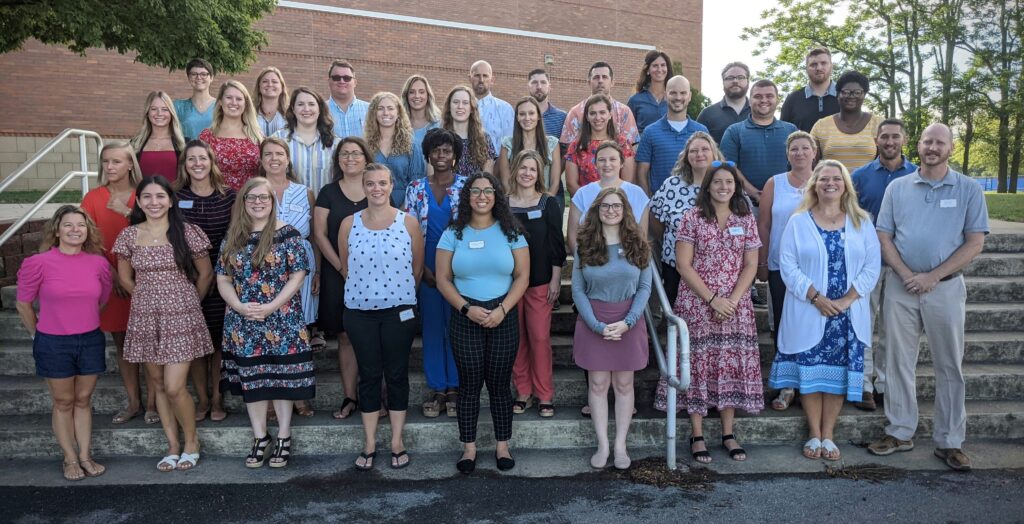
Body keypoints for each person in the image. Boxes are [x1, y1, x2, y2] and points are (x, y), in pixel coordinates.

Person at [867, 124, 989, 471]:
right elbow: (884, 236)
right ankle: (900, 430)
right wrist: (907, 275)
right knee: (897, 361)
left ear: (951, 147)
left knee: (949, 364)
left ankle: (950, 441)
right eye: (927, 141)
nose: (932, 147)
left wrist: (932, 276)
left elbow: (975, 242)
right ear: (918, 145)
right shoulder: (898, 187)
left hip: (946, 288)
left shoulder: (968, 189)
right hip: (901, 287)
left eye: (940, 142)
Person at [768, 160, 880, 462]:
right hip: (809, 309)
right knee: (811, 374)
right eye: (824, 179)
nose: (830, 183)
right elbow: (786, 264)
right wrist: (816, 297)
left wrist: (846, 301)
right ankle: (813, 433)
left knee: (837, 376)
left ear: (845, 185)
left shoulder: (861, 221)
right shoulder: (799, 221)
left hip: (847, 313)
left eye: (837, 178)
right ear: (814, 185)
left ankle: (828, 434)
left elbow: (872, 266)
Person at [654, 163, 763, 463]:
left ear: (735, 187)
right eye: (718, 182)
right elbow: (683, 265)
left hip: (735, 305)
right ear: (708, 186)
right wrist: (713, 299)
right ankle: (697, 433)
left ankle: (728, 434)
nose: (724, 186)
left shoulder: (745, 218)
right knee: (697, 366)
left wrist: (732, 300)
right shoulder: (692, 217)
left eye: (729, 181)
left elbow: (751, 265)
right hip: (697, 303)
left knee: (728, 367)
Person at [113, 176, 216, 472]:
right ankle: (172, 445)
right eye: (147, 197)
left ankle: (192, 441)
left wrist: (186, 302)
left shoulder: (187, 232)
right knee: (157, 383)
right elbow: (124, 278)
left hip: (181, 315)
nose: (154, 202)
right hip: (145, 316)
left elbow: (205, 273)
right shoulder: (129, 235)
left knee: (173, 386)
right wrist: (148, 298)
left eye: (160, 196)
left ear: (171, 200)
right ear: (139, 201)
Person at [435, 172, 530, 474]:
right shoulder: (453, 233)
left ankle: (503, 446)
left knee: (500, 385)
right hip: (466, 316)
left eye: (488, 191)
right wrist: (465, 308)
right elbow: (442, 279)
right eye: (475, 191)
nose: (482, 196)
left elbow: (522, 277)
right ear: (467, 197)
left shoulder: (511, 232)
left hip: (503, 314)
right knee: (470, 384)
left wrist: (502, 309)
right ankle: (469, 449)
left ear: (496, 196)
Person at [217, 178, 314, 469]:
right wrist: (238, 306)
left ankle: (283, 436)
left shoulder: (288, 234)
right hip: (243, 319)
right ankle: (261, 437)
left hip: (283, 319)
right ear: (243, 202)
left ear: (273, 202)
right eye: (252, 197)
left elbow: (298, 274)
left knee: (282, 379)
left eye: (264, 198)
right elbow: (223, 277)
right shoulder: (233, 236)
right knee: (254, 382)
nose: (258, 202)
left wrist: (271, 306)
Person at [16, 205, 112, 481]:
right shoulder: (39, 262)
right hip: (52, 342)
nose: (74, 230)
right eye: (68, 225)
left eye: (80, 225)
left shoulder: (98, 263)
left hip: (90, 339)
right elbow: (23, 304)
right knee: (63, 400)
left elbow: (102, 299)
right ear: (57, 230)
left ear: (87, 231)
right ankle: (69, 459)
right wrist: (39, 334)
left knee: (83, 399)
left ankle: (85, 455)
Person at [339, 164, 424, 470]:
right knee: (370, 375)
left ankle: (397, 441)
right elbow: (345, 266)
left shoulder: (408, 223)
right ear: (363, 187)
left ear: (391, 186)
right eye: (371, 183)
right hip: (360, 312)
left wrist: (397, 295)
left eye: (382, 183)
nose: (377, 188)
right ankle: (370, 442)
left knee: (397, 374)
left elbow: (417, 268)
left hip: (399, 311)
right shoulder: (350, 224)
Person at [572, 187, 652, 470]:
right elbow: (578, 290)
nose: (611, 210)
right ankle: (602, 444)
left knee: (623, 384)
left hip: (628, 319)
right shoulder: (586, 244)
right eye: (605, 206)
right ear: (597, 210)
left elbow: (644, 287)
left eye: (616, 206)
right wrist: (596, 325)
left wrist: (628, 321)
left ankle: (620, 445)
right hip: (594, 318)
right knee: (597, 384)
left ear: (625, 210)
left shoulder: (638, 244)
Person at [81, 142, 157, 425]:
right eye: (105, 162)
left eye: (116, 161)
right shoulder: (93, 197)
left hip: (146, 278)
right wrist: (112, 275)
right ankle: (134, 402)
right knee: (123, 342)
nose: (110, 167)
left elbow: (158, 226)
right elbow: (88, 241)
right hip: (109, 279)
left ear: (129, 165)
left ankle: (152, 404)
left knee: (149, 343)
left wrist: (126, 212)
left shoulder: (144, 194)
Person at [850, 119, 917, 411]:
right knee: (863, 324)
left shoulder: (917, 174)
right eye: (884, 137)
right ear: (876, 140)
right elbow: (849, 216)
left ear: (904, 140)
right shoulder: (861, 176)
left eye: (895, 137)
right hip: (869, 263)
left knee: (894, 328)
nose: (890, 142)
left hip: (904, 264)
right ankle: (863, 384)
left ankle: (885, 383)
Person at [403, 128, 467, 418]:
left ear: (455, 156)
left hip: (459, 270)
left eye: (447, 151)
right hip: (425, 267)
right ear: (428, 154)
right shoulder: (415, 188)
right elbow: (409, 231)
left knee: (456, 328)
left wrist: (456, 272)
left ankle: (455, 386)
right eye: (436, 151)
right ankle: (438, 388)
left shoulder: (467, 187)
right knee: (431, 328)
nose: (441, 156)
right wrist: (422, 270)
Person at [175, 139, 238, 422]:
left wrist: (221, 274)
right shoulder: (176, 198)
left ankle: (217, 397)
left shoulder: (230, 196)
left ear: (212, 162)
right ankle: (202, 398)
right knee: (196, 344)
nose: (197, 164)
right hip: (188, 280)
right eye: (191, 159)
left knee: (218, 342)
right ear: (184, 165)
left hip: (224, 276)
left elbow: (237, 236)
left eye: (202, 158)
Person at [757, 131, 817, 412]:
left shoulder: (824, 180)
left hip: (816, 269)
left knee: (813, 325)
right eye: (794, 148)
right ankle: (786, 385)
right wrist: (761, 260)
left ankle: (811, 385)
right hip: (781, 266)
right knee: (783, 324)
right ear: (787, 153)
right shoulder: (774, 184)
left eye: (805, 148)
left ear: (814, 152)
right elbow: (765, 224)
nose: (800, 153)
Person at [260, 137, 321, 415]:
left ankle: (298, 394)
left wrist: (317, 269)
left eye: (279, 154)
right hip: (264, 268)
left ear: (287, 159)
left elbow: (315, 234)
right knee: (270, 332)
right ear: (261, 160)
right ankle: (274, 395)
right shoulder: (254, 190)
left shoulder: (304, 192)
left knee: (299, 332)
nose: (274, 158)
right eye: (268, 154)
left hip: (301, 265)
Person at [313, 138, 370, 420]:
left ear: (365, 158)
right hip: (339, 275)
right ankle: (350, 397)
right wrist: (340, 267)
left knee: (375, 338)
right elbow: (320, 234)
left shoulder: (377, 188)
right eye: (344, 153)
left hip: (375, 276)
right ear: (338, 160)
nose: (350, 158)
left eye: (356, 153)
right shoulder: (328, 193)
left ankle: (374, 396)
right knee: (345, 336)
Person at [508, 150, 566, 418]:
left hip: (541, 281)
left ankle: (544, 394)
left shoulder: (548, 203)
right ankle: (523, 391)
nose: (527, 173)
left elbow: (557, 243)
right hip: (509, 283)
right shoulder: (504, 203)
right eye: (523, 168)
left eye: (532, 169)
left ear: (539, 173)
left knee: (540, 337)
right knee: (516, 338)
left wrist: (556, 278)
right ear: (515, 170)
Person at [649, 131, 723, 307]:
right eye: (693, 150)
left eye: (705, 149)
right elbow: (656, 217)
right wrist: (671, 237)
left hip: (715, 265)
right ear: (686, 156)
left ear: (714, 153)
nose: (699, 154)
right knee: (677, 309)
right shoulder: (672, 185)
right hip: (675, 264)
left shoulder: (726, 184)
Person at [720, 79, 799, 200]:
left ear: (777, 100)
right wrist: (754, 193)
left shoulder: (791, 130)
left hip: (785, 201)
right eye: (758, 96)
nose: (764, 100)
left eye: (769, 96)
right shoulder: (734, 131)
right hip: (745, 204)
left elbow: (800, 166)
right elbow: (728, 167)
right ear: (750, 101)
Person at [568, 141, 648, 254]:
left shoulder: (637, 194)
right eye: (601, 160)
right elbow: (572, 235)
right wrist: (580, 261)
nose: (607, 164)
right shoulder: (582, 194)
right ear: (595, 164)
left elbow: (642, 235)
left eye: (612, 159)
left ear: (621, 163)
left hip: (629, 260)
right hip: (591, 260)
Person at [635, 75, 709, 196]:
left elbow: (708, 169)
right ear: (665, 95)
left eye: (683, 93)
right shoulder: (650, 132)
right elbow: (641, 173)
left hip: (696, 204)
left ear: (689, 96)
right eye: (673, 93)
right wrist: (650, 203)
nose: (678, 97)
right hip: (661, 207)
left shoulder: (701, 131)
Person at [810, 71, 882, 172]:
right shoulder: (821, 126)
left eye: (857, 92)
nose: (851, 96)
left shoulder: (879, 124)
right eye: (846, 92)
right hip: (831, 186)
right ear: (838, 94)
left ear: (864, 95)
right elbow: (811, 164)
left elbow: (885, 163)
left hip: (868, 187)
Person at [565, 94, 637, 195]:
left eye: (602, 112)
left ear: (610, 114)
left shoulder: (623, 144)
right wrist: (591, 204)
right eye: (593, 113)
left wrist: (610, 203)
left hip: (616, 205)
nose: (598, 117)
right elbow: (571, 184)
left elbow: (627, 182)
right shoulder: (576, 146)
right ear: (587, 117)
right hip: (586, 205)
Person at [364, 91, 426, 207]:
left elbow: (417, 181)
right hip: (372, 205)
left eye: (390, 108)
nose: (386, 113)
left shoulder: (411, 144)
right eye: (380, 108)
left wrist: (404, 209)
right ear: (374, 113)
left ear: (398, 113)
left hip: (405, 206)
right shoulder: (365, 145)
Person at [273, 86, 337, 197]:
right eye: (300, 104)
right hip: (289, 210)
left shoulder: (335, 143)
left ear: (319, 109)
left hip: (325, 211)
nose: (306, 109)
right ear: (293, 108)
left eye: (311, 104)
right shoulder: (277, 140)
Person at [199, 80, 263, 190]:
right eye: (229, 98)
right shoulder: (207, 136)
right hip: (217, 200)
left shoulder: (257, 136)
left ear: (245, 104)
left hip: (250, 201)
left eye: (239, 99)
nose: (234, 102)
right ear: (220, 102)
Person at [560, 62, 640, 147]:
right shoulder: (575, 113)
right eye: (596, 77)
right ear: (589, 82)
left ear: (612, 82)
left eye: (605, 77)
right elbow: (567, 149)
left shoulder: (624, 112)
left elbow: (631, 147)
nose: (600, 81)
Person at [496, 96, 561, 197]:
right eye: (522, 114)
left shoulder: (552, 144)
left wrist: (545, 203)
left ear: (538, 116)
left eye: (531, 113)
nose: (527, 118)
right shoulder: (507, 144)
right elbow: (505, 181)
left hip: (544, 202)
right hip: (515, 203)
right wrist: (517, 203)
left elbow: (554, 182)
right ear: (517, 117)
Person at [442, 85, 497, 179]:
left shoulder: (484, 139)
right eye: (455, 102)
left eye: (465, 103)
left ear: (471, 108)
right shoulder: (439, 138)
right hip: (446, 192)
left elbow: (487, 179)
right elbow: (433, 178)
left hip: (474, 192)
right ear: (449, 107)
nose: (460, 106)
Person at [780, 47, 840, 132]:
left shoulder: (845, 97)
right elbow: (783, 134)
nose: (819, 68)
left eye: (823, 63)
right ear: (806, 69)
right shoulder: (792, 99)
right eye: (813, 64)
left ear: (831, 66)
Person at [131, 91, 186, 181]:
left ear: (171, 113)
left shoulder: (184, 144)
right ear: (147, 113)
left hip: (176, 195)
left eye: (165, 109)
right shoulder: (135, 144)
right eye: (154, 109)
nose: (159, 113)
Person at [697, 62, 751, 144]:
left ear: (748, 81)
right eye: (730, 78)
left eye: (740, 77)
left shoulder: (758, 112)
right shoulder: (707, 114)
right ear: (723, 82)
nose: (735, 81)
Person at [469, 60, 514, 154]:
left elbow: (510, 146)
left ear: (492, 80)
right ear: (470, 78)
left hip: (496, 166)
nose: (481, 80)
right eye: (477, 75)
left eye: (485, 76)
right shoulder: (461, 108)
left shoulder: (505, 109)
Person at [627, 50, 672, 134]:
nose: (659, 69)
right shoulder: (635, 100)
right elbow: (629, 132)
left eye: (663, 65)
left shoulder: (674, 99)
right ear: (648, 70)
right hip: (643, 146)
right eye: (655, 65)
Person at [173, 58, 217, 141]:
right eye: (194, 74)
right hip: (187, 153)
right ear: (189, 77)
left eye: (203, 74)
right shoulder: (178, 106)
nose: (199, 77)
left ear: (211, 78)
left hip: (215, 153)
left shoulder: (220, 105)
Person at [326, 60, 369, 138]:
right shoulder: (319, 110)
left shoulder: (370, 109)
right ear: (329, 81)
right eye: (336, 78)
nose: (342, 81)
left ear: (355, 82)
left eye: (347, 78)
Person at [527, 69, 568, 141]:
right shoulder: (520, 116)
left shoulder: (562, 117)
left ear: (549, 87)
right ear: (528, 87)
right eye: (534, 82)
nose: (539, 86)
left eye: (543, 82)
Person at [402, 74, 442, 145]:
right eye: (412, 92)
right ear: (406, 96)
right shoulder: (399, 123)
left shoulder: (439, 124)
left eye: (421, 92)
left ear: (428, 95)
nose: (417, 96)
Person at [254, 66, 289, 138]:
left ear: (282, 87)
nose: (270, 84)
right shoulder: (249, 112)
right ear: (259, 86)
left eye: (274, 82)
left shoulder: (290, 114)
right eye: (265, 81)